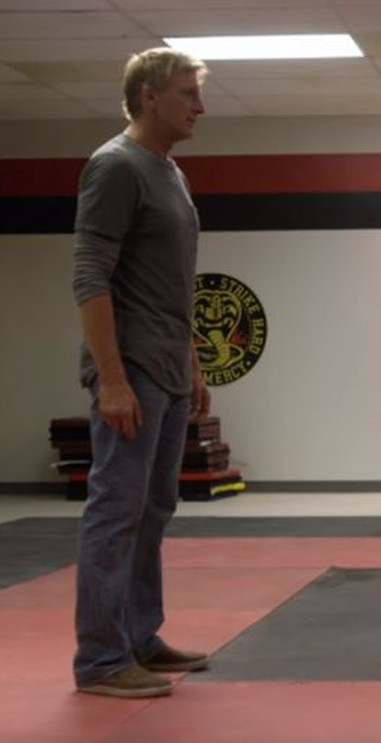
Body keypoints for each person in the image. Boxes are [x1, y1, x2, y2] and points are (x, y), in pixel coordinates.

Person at [72, 48, 211, 699]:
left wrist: (192, 361)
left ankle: (139, 636)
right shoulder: (115, 166)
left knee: (154, 508)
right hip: (131, 369)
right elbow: (89, 276)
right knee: (117, 510)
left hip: (168, 367)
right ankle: (101, 660)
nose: (199, 106)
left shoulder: (169, 171)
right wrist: (112, 378)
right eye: (188, 93)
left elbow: (170, 283)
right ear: (150, 97)